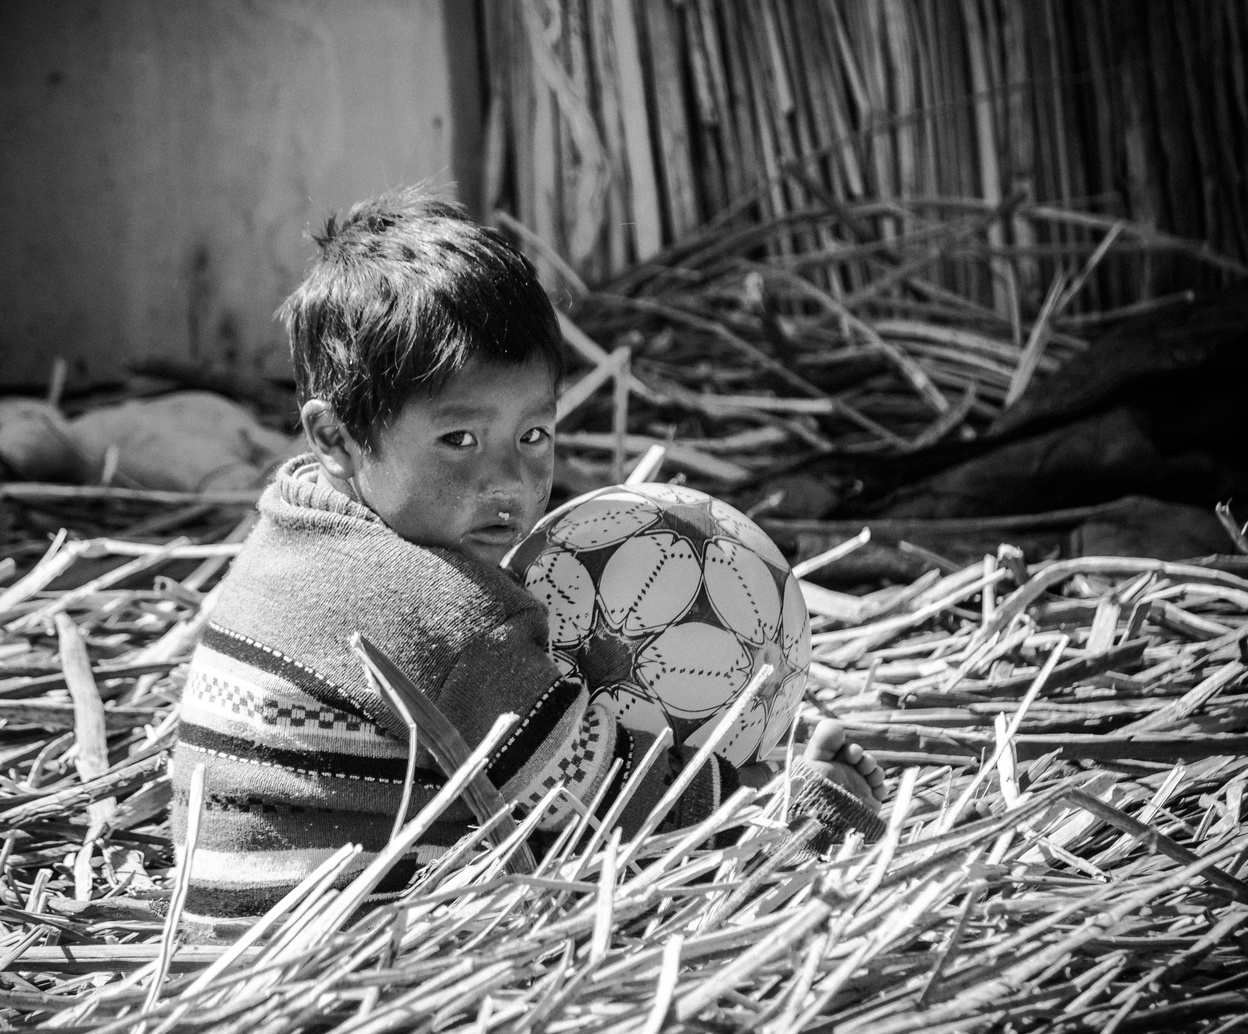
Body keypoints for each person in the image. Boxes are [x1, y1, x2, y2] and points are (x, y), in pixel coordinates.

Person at [167, 186, 884, 925]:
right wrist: (759, 791)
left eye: (533, 435)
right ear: (339, 437)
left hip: (235, 935)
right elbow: (594, 797)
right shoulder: (438, 607)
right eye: (460, 441)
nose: (508, 479)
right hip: (358, 947)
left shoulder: (292, 538)